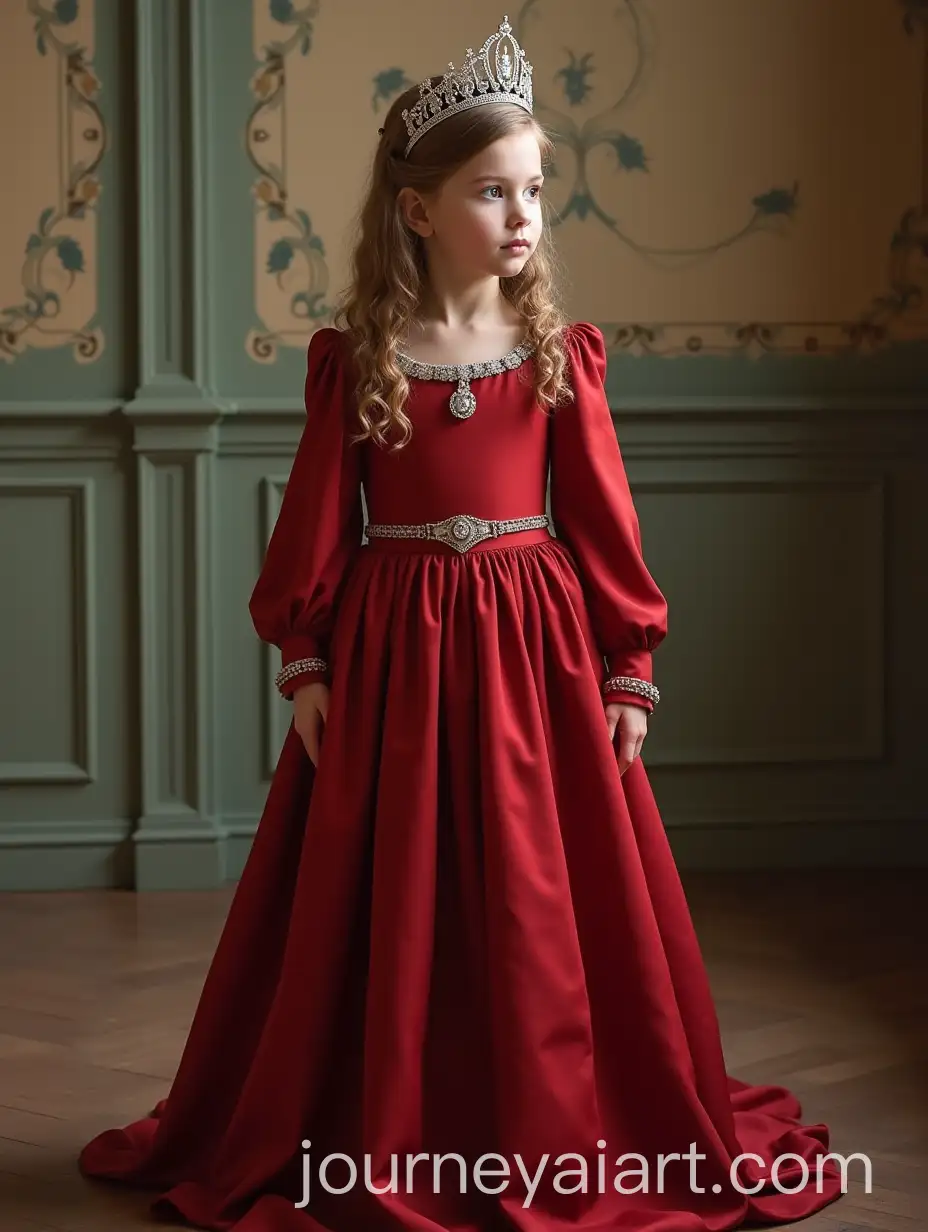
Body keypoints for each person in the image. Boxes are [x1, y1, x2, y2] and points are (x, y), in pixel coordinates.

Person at [78, 16, 844, 1232]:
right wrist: (306, 656)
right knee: (380, 890)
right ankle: (382, 1114)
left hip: (534, 646)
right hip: (390, 649)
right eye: (494, 191)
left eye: (537, 190)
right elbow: (319, 526)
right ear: (420, 210)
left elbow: (601, 526)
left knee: (548, 891)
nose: (525, 214)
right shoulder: (359, 357)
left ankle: (549, 1112)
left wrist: (626, 663)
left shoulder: (556, 353)